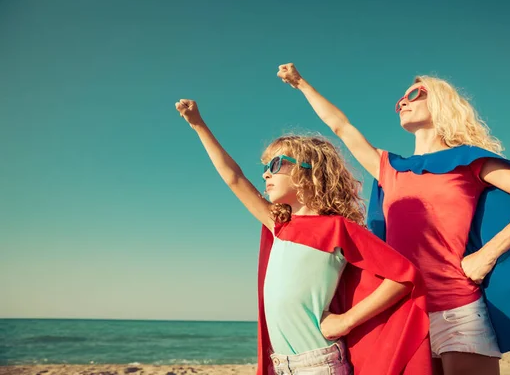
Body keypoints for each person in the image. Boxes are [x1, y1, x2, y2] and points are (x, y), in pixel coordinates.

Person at [277, 64, 510, 375]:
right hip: (402, 312)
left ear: (442, 102)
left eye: (415, 94)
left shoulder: (469, 162)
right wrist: (301, 84)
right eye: (400, 99)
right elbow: (341, 127)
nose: (403, 101)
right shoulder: (390, 168)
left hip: (456, 308)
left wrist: (487, 256)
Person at [174, 99, 432, 375]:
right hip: (282, 365)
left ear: (309, 171)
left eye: (275, 164)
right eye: (265, 167)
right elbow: (233, 177)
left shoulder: (338, 228)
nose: (265, 173)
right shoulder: (279, 225)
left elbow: (403, 276)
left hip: (319, 364)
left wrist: (345, 321)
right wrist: (198, 125)